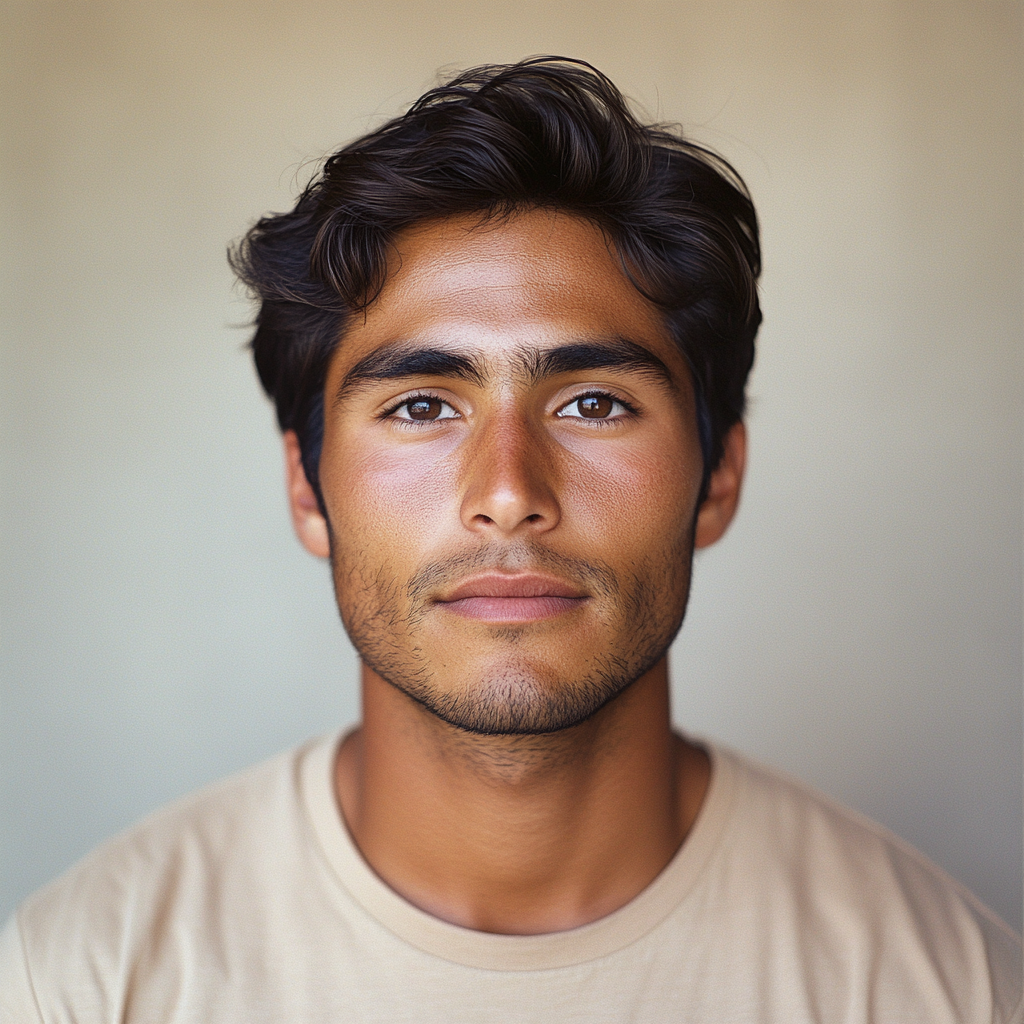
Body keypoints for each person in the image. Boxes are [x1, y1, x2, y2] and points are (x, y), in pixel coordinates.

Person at [1, 57, 1020, 1024]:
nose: (507, 492)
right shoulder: (83, 979)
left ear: (718, 477)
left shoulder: (940, 986)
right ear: (307, 489)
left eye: (591, 402)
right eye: (419, 407)